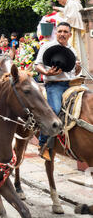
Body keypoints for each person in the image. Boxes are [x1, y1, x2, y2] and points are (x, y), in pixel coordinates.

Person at [34, 22, 81, 161]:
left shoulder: (72, 49)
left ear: (69, 34)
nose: (62, 34)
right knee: (53, 110)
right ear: (56, 32)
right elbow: (37, 65)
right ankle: (42, 144)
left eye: (65, 32)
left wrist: (78, 67)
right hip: (54, 86)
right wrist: (47, 73)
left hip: (72, 84)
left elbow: (75, 71)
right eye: (60, 31)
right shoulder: (47, 46)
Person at [53, 0, 87, 69]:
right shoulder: (71, 2)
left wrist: (58, 19)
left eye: (59, 1)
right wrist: (59, 9)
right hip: (74, 29)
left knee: (76, 50)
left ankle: (79, 71)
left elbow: (71, 18)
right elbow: (68, 11)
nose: (59, 2)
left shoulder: (72, 4)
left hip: (74, 30)